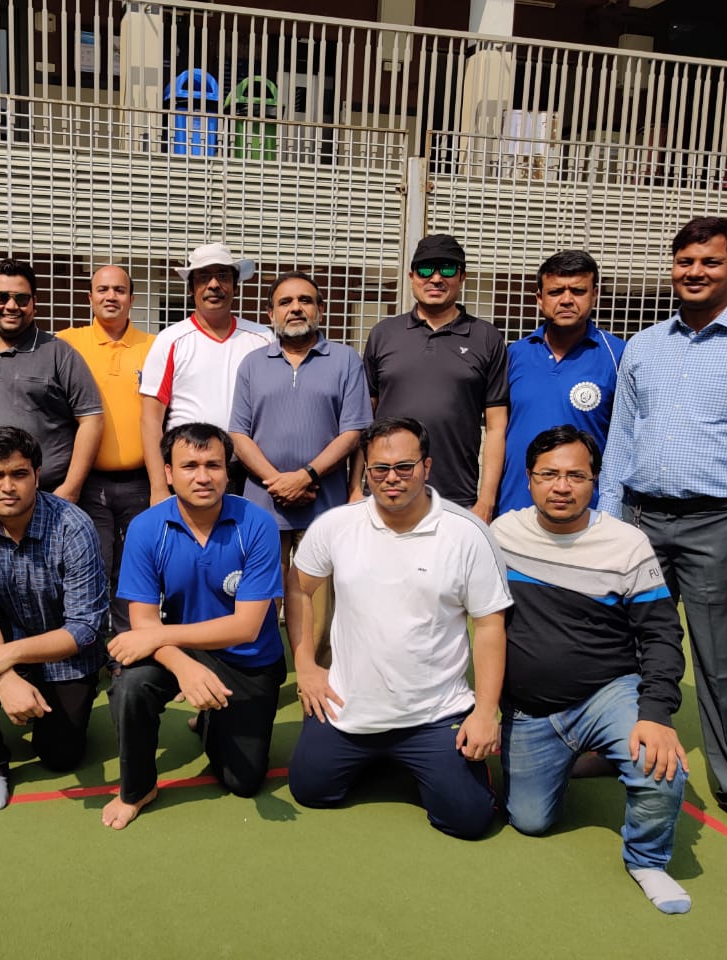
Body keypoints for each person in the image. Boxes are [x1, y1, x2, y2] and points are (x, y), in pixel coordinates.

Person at [599, 216, 727, 849]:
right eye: (685, 261)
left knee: (724, 663)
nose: (695, 272)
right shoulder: (644, 344)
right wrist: (606, 523)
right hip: (638, 518)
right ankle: (616, 749)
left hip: (721, 524)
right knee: (622, 648)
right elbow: (620, 441)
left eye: (709, 262)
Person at [492, 426, 691, 914]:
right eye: (549, 475)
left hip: (608, 693)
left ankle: (646, 860)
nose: (562, 486)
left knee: (660, 769)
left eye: (576, 475)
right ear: (530, 478)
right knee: (530, 821)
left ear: (595, 480)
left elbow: (662, 636)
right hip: (530, 710)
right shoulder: (501, 535)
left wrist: (657, 714)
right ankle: (575, 756)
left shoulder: (626, 543)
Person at [286, 417, 509, 839]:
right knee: (310, 789)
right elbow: (299, 589)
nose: (392, 479)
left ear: (427, 466)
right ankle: (378, 758)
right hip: (348, 709)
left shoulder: (468, 534)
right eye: (379, 469)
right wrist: (307, 666)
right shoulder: (336, 525)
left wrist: (484, 711)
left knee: (469, 820)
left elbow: (490, 626)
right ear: (366, 471)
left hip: (433, 713)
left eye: (404, 467)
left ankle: (428, 762)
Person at [101, 422, 286, 830]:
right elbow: (143, 621)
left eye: (213, 465)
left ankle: (209, 722)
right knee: (131, 683)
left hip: (246, 657)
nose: (202, 476)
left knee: (243, 781)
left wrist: (161, 637)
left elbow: (246, 627)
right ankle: (137, 788)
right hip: (183, 651)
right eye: (189, 466)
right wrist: (184, 666)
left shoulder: (257, 525)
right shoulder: (147, 528)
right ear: (168, 473)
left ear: (227, 471)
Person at [0, 427, 108, 810]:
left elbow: (85, 626)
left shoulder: (74, 526)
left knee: (60, 756)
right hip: (0, 637)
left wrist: (9, 657)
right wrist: (3, 675)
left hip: (64, 653)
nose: (8, 486)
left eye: (19, 474)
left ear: (37, 475)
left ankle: (68, 699)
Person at [229, 271, 371, 662]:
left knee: (318, 608)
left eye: (305, 300)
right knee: (257, 602)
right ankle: (252, 687)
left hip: (323, 505)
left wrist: (306, 476)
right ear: (271, 313)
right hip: (262, 506)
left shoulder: (344, 360)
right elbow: (239, 434)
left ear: (320, 310)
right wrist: (278, 482)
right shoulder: (253, 364)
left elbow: (354, 430)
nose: (296, 308)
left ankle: (318, 683)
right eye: (285, 302)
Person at [361, 234, 508, 520]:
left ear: (462, 277)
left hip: (457, 496)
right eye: (426, 269)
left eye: (448, 269)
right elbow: (365, 419)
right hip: (385, 492)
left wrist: (486, 499)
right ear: (411, 276)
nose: (436, 278)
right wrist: (356, 487)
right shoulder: (384, 334)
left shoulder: (486, 337)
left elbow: (496, 427)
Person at [0, 259, 103, 502]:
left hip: (45, 498)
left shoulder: (58, 353)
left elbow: (91, 419)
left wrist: (71, 488)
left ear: (33, 303)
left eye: (21, 299)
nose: (11, 306)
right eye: (1, 297)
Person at [56, 265, 155, 634]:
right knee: (91, 565)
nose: (111, 296)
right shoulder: (66, 342)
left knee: (133, 570)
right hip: (87, 481)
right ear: (90, 298)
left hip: (140, 481)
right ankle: (90, 645)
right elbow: (16, 339)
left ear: (132, 298)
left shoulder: (155, 346)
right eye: (102, 290)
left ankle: (126, 653)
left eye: (119, 290)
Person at [139, 243, 273, 503]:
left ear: (235, 285)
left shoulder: (263, 338)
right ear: (191, 288)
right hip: (190, 471)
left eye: (223, 276)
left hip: (250, 473)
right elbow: (150, 419)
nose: (214, 284)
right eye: (204, 277)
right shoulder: (170, 340)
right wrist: (158, 486)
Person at [497, 250, 625, 515]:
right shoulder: (514, 355)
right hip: (514, 510)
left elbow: (626, 441)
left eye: (577, 291)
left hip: (584, 515)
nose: (567, 300)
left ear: (595, 295)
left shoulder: (619, 356)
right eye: (556, 292)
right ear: (539, 299)